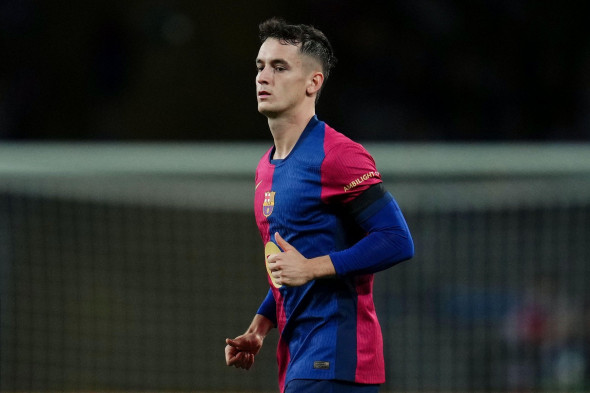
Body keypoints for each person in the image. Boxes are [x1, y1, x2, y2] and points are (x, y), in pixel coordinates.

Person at [225, 17, 414, 393]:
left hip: (337, 355)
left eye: (280, 67)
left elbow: (397, 239)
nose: (264, 77)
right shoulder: (266, 167)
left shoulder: (339, 155)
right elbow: (295, 260)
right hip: (299, 354)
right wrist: (261, 325)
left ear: (313, 83)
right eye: (260, 67)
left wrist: (312, 268)